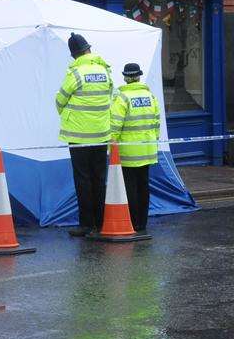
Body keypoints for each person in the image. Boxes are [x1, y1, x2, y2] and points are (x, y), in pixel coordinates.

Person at [56, 33, 114, 237]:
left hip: (79, 136)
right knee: (99, 178)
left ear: (74, 55)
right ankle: (101, 221)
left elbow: (60, 99)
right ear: (89, 49)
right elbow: (110, 96)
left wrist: (69, 113)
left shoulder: (76, 73)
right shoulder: (105, 70)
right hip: (101, 134)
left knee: (83, 179)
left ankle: (86, 224)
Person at [109, 63, 161, 233]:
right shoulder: (150, 97)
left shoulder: (122, 98)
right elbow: (156, 123)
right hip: (147, 151)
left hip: (128, 152)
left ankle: (132, 222)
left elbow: (115, 125)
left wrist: (111, 147)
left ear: (125, 77)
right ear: (139, 76)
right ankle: (142, 223)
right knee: (143, 187)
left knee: (130, 187)